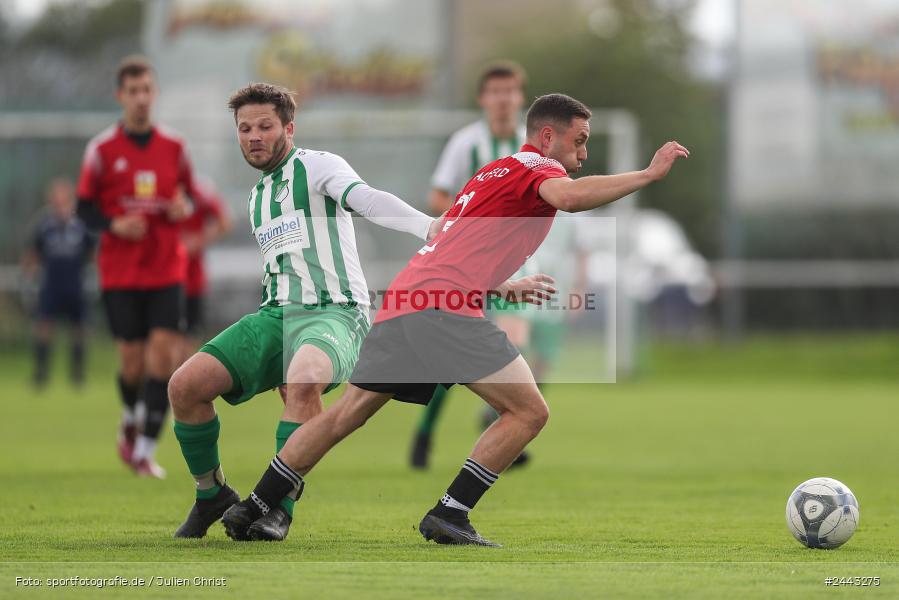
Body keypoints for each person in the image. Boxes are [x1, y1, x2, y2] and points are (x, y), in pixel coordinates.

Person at [222, 93, 689, 545]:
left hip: (407, 298)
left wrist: (501, 286)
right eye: (580, 140)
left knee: (345, 415)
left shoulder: (491, 173)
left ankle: (256, 503)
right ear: (547, 137)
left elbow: (454, 248)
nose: (583, 153)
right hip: (442, 308)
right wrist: (647, 175)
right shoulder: (538, 168)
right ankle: (451, 512)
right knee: (528, 411)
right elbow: (568, 198)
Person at [166, 82, 447, 539]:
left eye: (264, 126)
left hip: (335, 311)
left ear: (288, 128)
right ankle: (210, 493)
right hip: (275, 314)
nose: (253, 136)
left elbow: (367, 199)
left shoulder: (317, 166)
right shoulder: (257, 197)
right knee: (185, 386)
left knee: (303, 379)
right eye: (244, 128)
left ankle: (279, 509)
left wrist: (427, 226)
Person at [77, 56, 195, 479]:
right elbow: (83, 210)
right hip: (121, 272)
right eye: (133, 91)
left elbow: (191, 198)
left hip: (166, 268)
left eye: (147, 89)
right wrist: (114, 224)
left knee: (163, 361)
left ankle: (144, 451)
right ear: (120, 96)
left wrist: (184, 206)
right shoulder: (101, 150)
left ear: (154, 93)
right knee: (131, 364)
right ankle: (130, 414)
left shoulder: (176, 148)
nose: (141, 98)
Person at [410, 60, 531, 468]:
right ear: (483, 98)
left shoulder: (530, 146)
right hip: (466, 266)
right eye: (495, 91)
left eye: (510, 91)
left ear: (520, 97)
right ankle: (425, 433)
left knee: (514, 339)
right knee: (453, 358)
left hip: (512, 266)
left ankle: (504, 426)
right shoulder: (467, 143)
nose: (503, 99)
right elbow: (437, 197)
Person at [22, 178, 95, 387]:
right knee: (44, 327)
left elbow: (92, 251)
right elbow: (33, 252)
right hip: (51, 285)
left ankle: (77, 375)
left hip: (75, 284)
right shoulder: (43, 223)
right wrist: (28, 274)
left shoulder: (81, 223)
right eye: (55, 197)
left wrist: (95, 275)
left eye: (63, 197)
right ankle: (41, 374)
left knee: (79, 328)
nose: (59, 201)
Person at [177, 175, 233, 361]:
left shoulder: (199, 194)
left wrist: (199, 240)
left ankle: (179, 382)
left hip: (192, 279)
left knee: (188, 336)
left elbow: (225, 222)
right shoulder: (159, 192)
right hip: (162, 278)